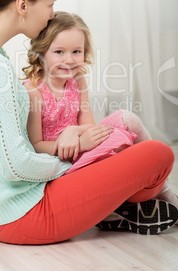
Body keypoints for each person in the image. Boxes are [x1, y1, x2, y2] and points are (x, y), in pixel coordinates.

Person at [0, 0, 178, 246]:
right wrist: (80, 161)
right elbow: (16, 166)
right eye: (50, 4)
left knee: (130, 138)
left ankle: (112, 208)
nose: (51, 15)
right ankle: (115, 208)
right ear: (23, 5)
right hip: (22, 214)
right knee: (158, 155)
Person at [22, 11, 140, 175]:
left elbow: (88, 124)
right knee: (117, 147)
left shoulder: (77, 80)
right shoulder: (33, 92)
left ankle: (153, 180)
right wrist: (80, 145)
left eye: (76, 51)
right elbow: (36, 145)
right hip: (60, 161)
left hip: (83, 142)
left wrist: (73, 132)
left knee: (126, 120)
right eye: (59, 52)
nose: (69, 60)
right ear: (40, 53)